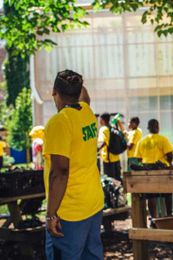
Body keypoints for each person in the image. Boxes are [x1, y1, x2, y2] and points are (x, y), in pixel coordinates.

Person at [43, 69, 104, 259]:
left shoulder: (59, 122)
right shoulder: (86, 111)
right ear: (78, 92)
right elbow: (84, 96)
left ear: (55, 91)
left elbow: (60, 172)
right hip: (93, 203)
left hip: (69, 211)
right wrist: (75, 84)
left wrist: (51, 215)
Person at [135, 119, 173, 219]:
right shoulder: (163, 139)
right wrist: (169, 163)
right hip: (161, 170)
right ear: (158, 127)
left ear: (148, 128)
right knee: (167, 193)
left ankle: (153, 218)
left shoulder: (142, 141)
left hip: (148, 171)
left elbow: (138, 158)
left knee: (151, 196)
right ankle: (169, 217)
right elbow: (170, 155)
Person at [98, 112, 122, 182]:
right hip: (116, 158)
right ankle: (120, 192)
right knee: (118, 179)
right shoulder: (113, 128)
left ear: (102, 120)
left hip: (108, 159)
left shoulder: (103, 129)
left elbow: (102, 142)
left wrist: (96, 150)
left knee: (110, 180)